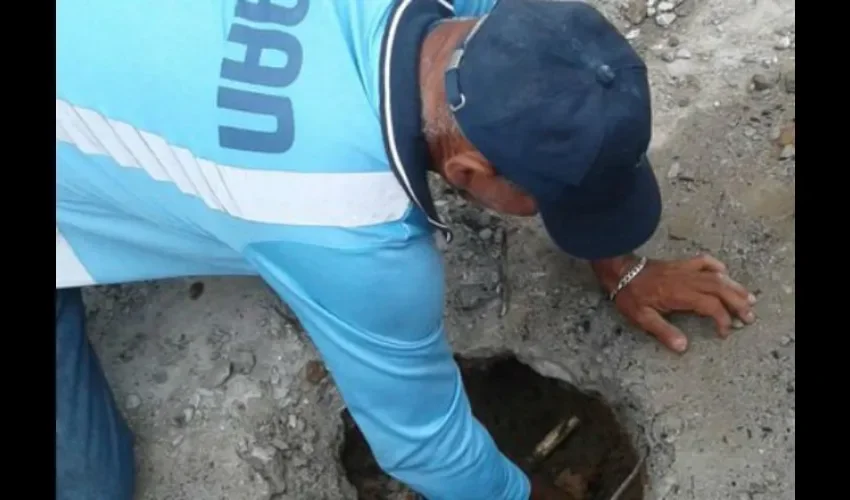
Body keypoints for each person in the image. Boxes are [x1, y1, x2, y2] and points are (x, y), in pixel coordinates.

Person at [55, 0, 757, 499]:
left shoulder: (477, 31)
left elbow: (560, 110)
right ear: (469, 176)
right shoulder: (345, 228)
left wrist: (619, 259)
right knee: (92, 484)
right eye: (548, 202)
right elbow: (421, 446)